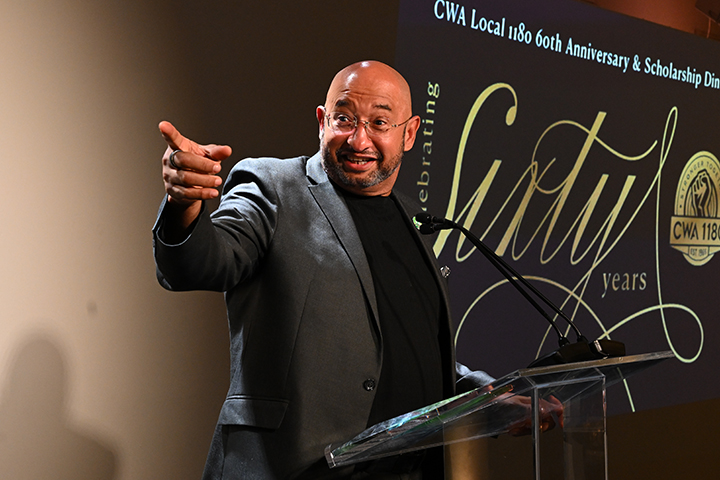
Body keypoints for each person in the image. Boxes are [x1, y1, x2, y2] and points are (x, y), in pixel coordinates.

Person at [153, 61, 495, 479]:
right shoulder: (273, 185)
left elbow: (408, 352)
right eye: (344, 119)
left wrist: (488, 395)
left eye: (379, 122)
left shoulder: (415, 220)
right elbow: (205, 262)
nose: (359, 140)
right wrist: (184, 204)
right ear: (322, 121)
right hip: (294, 468)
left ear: (408, 134)